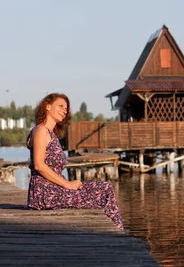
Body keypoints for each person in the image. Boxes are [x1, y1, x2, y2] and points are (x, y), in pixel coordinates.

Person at [26, 93, 124, 231]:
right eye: (60, 106)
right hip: (44, 194)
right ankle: (117, 233)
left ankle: (116, 231)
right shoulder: (41, 130)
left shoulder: (51, 133)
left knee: (105, 187)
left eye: (66, 109)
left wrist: (70, 184)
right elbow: (39, 165)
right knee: (102, 193)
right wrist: (67, 184)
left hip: (55, 190)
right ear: (47, 106)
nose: (64, 111)